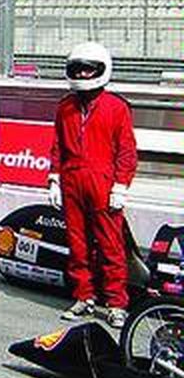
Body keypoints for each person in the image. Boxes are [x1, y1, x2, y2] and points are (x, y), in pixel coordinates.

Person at [49, 41, 137, 328]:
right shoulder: (65, 107)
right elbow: (58, 147)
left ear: (101, 70)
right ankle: (84, 297)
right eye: (80, 70)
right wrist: (54, 180)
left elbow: (126, 150)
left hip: (103, 181)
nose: (84, 75)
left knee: (111, 246)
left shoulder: (117, 107)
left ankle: (115, 303)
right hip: (72, 180)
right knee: (78, 245)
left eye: (89, 70)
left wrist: (121, 185)